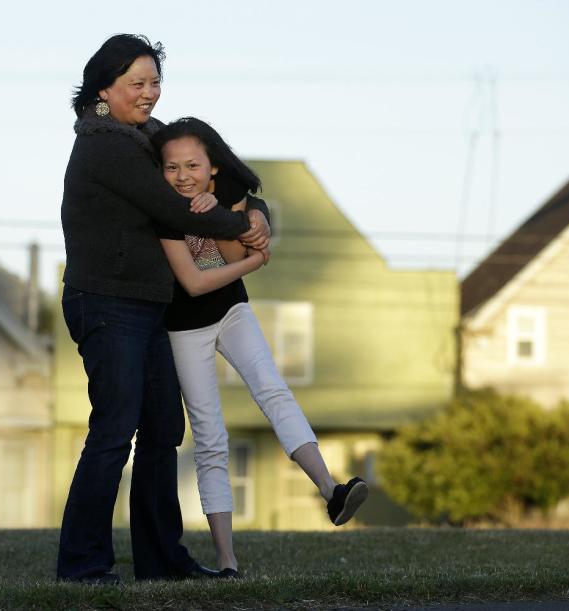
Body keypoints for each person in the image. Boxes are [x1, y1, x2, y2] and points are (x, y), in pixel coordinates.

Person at [58, 35, 272, 585]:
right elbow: (175, 208)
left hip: (148, 304)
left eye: (155, 82)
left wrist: (260, 210)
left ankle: (160, 561)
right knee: (114, 430)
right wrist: (245, 230)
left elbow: (224, 173)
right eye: (138, 83)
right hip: (105, 303)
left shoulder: (150, 139)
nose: (150, 93)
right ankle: (82, 566)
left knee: (162, 429)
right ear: (104, 88)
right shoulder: (106, 147)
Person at [151, 117, 369, 578]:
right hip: (185, 327)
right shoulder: (161, 210)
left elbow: (253, 212)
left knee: (272, 389)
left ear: (213, 168)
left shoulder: (229, 189)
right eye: (171, 167)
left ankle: (331, 490)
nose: (182, 175)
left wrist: (241, 217)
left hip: (231, 312)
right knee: (210, 436)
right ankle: (228, 562)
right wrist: (252, 259)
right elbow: (192, 283)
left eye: (193, 165)